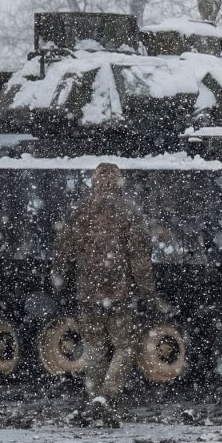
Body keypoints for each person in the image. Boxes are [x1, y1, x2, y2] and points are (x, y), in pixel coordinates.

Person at [51, 162, 158, 423]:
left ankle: (94, 396)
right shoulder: (128, 212)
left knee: (95, 346)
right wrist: (149, 292)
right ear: (119, 182)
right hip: (119, 293)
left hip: (87, 292)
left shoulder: (81, 211)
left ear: (94, 182)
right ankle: (108, 395)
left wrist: (58, 278)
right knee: (125, 346)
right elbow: (139, 259)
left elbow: (64, 249)